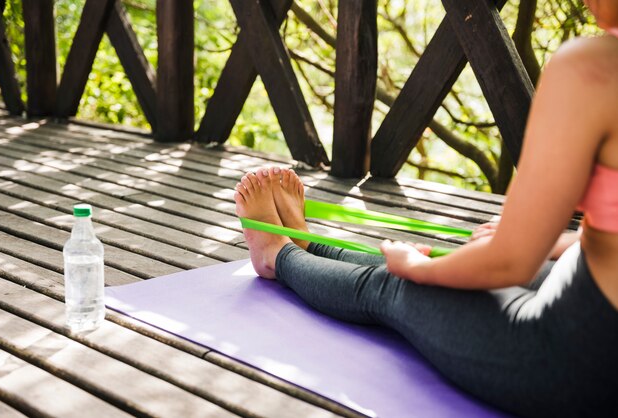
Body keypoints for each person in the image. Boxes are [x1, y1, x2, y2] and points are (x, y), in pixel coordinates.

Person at [233, 2, 618, 416]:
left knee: (396, 286)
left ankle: (277, 255)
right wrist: (562, 242)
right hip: (585, 290)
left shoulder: (592, 68)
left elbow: (510, 264)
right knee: (447, 265)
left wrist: (417, 272)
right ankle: (306, 247)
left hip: (582, 366)